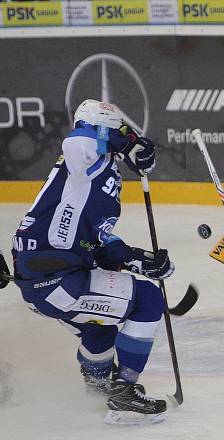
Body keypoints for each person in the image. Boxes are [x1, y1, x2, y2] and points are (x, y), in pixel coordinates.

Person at [11, 99, 174, 424]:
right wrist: (132, 143)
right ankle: (123, 392)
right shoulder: (83, 157)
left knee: (98, 328)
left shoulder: (101, 173)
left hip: (49, 278)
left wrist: (138, 259)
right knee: (148, 299)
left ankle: (99, 390)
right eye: (119, 128)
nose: (125, 133)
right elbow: (78, 138)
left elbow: (91, 241)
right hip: (54, 278)